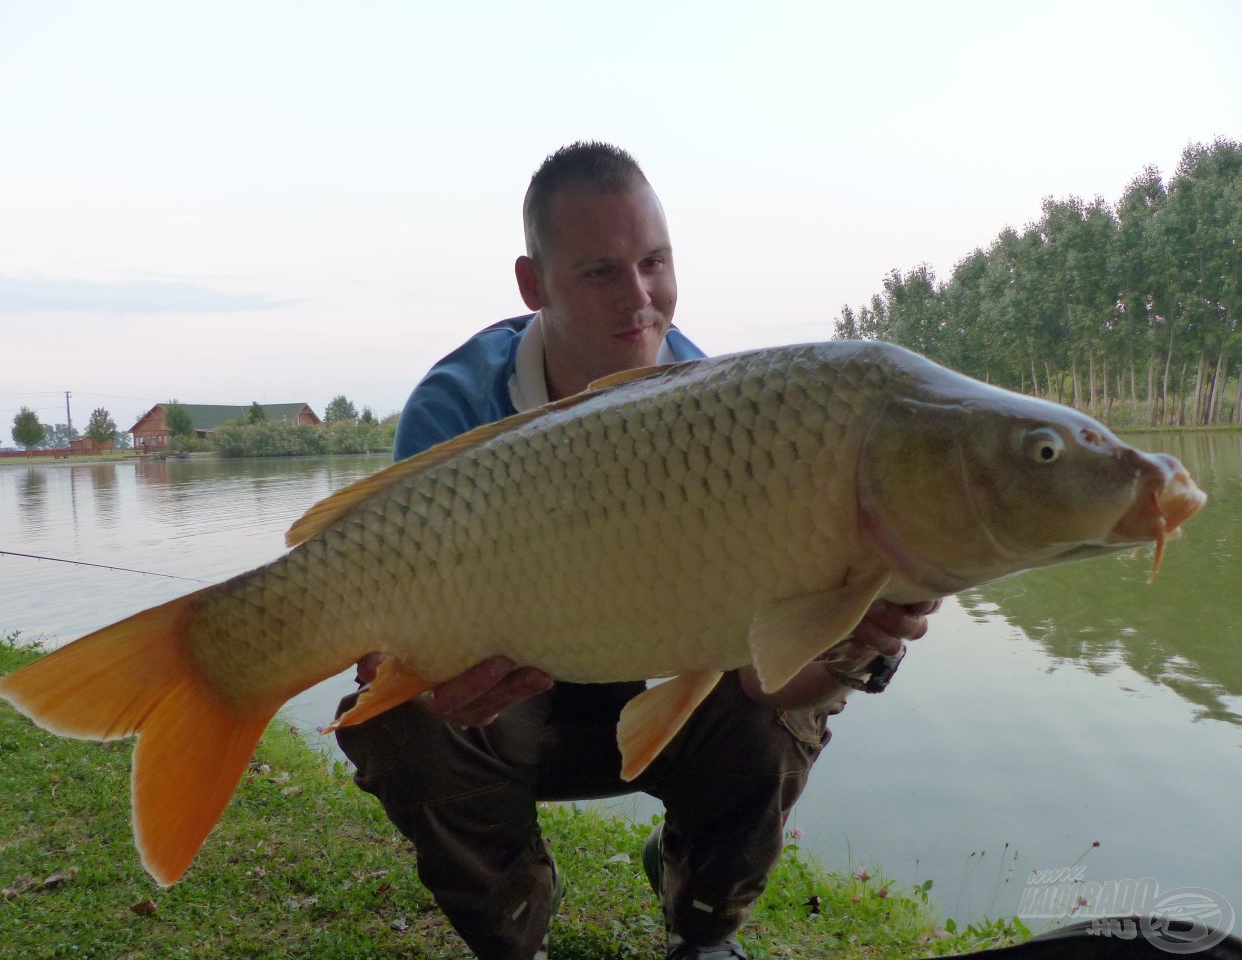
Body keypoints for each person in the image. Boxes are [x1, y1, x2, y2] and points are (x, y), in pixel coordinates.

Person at [335, 141, 936, 960]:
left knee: (795, 704)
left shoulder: (725, 411)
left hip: (667, 688)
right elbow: (387, 648)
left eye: (655, 262)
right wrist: (429, 691)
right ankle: (512, 925)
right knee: (397, 720)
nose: (641, 299)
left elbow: (763, 679)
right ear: (532, 284)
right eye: (600, 273)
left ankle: (703, 925)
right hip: (516, 703)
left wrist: (852, 647)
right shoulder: (456, 408)